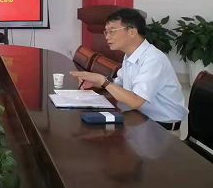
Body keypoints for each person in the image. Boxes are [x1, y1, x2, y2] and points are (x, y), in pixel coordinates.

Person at [70, 8, 188, 136]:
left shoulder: (152, 59)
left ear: (132, 32)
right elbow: (116, 83)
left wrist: (102, 80)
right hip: (140, 121)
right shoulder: (130, 56)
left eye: (112, 31)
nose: (107, 37)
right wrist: (95, 82)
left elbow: (135, 101)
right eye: (106, 32)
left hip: (162, 131)